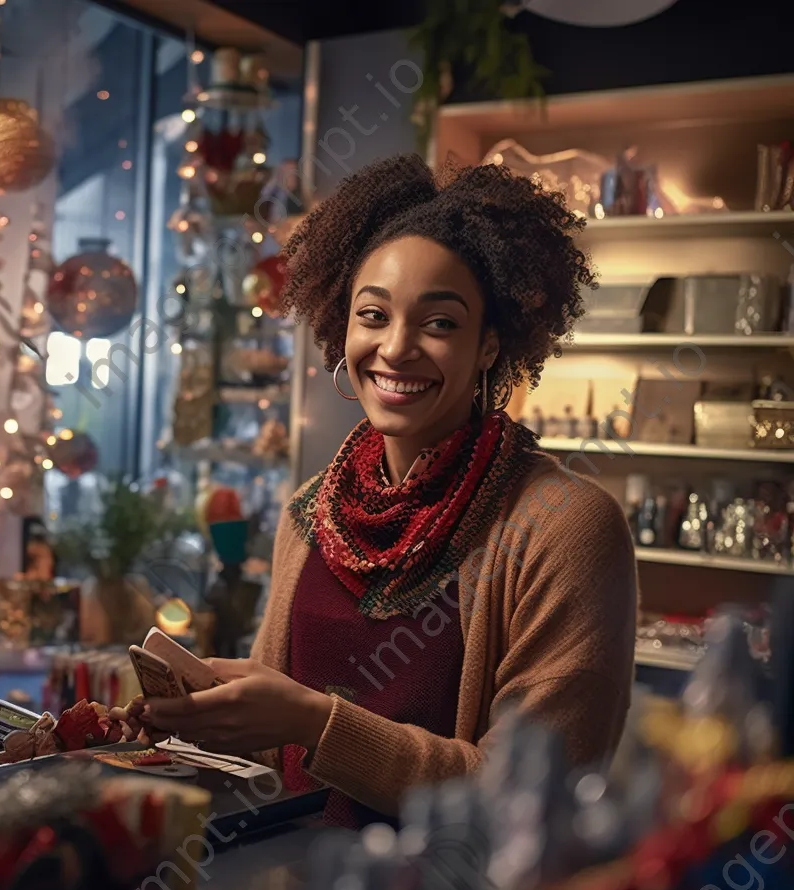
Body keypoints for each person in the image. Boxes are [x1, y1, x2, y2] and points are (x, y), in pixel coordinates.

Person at [122, 154, 637, 827]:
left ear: (490, 344)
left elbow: (529, 801)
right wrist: (207, 715)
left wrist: (315, 721)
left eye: (440, 323)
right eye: (373, 315)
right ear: (343, 325)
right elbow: (273, 757)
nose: (395, 348)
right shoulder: (312, 511)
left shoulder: (565, 527)